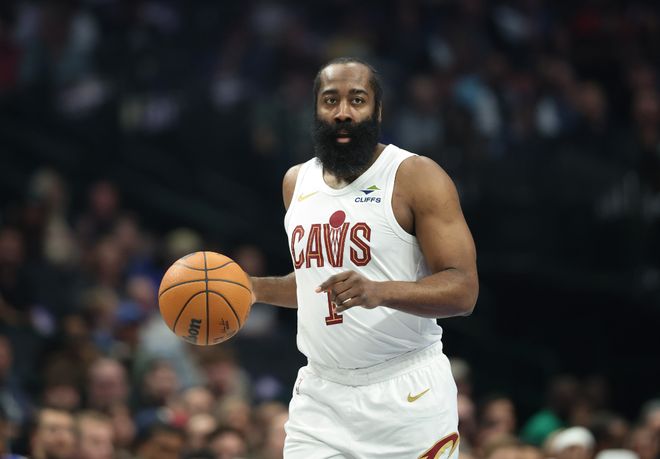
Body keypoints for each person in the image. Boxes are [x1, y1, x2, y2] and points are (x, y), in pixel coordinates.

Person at [251, 57, 479, 458]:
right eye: (330, 100)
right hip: (321, 395)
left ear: (377, 110)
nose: (343, 112)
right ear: (315, 110)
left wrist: (379, 292)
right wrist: (252, 288)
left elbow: (463, 290)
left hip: (406, 391)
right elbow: (317, 284)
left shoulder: (415, 175)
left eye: (357, 100)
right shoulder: (296, 181)